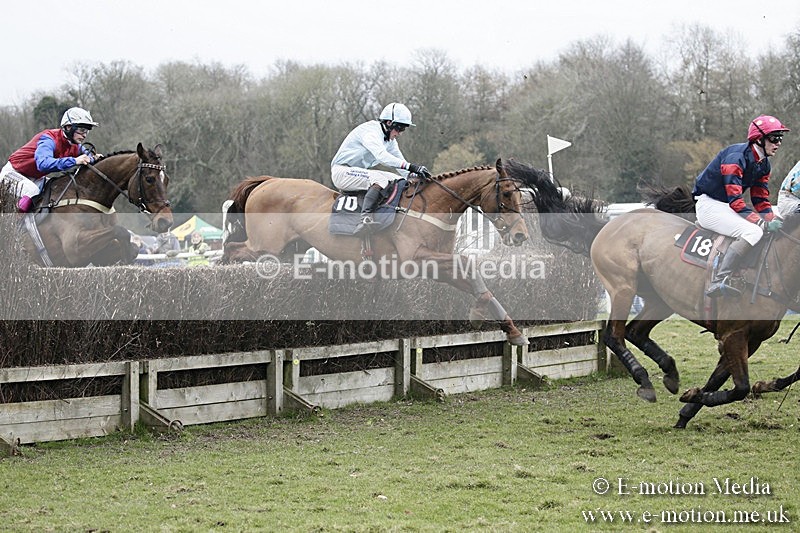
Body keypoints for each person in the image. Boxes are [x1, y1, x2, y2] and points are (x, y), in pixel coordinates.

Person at [692, 114, 790, 298]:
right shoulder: (735, 158)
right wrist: (763, 224)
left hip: (725, 206)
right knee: (754, 231)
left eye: (780, 139)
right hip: (709, 205)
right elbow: (736, 201)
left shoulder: (764, 165)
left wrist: (773, 219)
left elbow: (760, 199)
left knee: (764, 229)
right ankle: (719, 279)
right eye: (774, 138)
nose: (778, 143)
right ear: (759, 139)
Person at [331, 102, 432, 235]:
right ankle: (365, 218)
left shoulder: (390, 141)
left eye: (403, 129)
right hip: (342, 172)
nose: (400, 133)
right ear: (389, 123)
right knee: (379, 179)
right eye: (399, 128)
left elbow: (401, 165)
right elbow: (382, 157)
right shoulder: (370, 132)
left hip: (359, 173)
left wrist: (416, 176)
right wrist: (413, 167)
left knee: (399, 180)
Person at [0, 107, 99, 213]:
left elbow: (87, 156)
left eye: (87, 131)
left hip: (35, 178)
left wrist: (95, 158)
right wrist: (74, 161)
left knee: (57, 187)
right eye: (82, 130)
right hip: (12, 174)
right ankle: (13, 226)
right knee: (32, 191)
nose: (84, 135)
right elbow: (43, 164)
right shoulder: (49, 139)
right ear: (69, 127)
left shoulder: (75, 145)